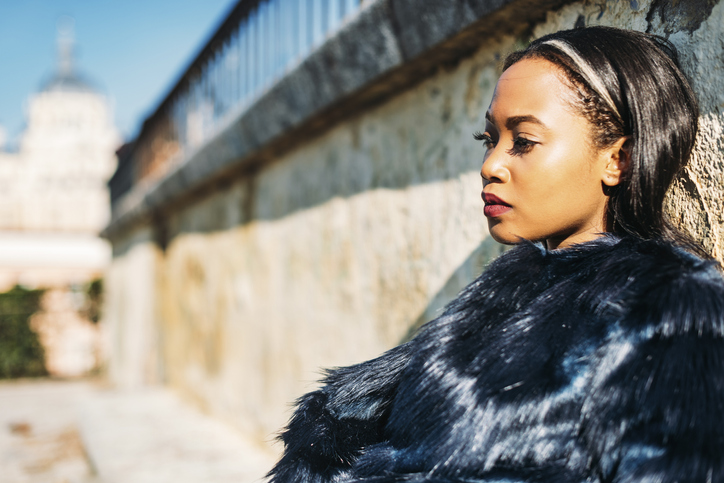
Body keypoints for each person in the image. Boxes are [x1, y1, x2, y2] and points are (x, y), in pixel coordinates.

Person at [266, 26, 724, 482]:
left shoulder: (677, 313)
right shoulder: (508, 297)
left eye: (523, 141)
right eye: (490, 139)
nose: (490, 165)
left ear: (617, 160)